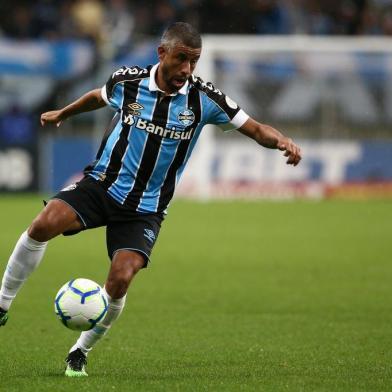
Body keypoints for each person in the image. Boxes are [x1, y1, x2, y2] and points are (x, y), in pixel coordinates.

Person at [0, 22, 301, 377]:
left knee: (121, 279)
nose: (187, 69)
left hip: (146, 208)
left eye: (194, 61)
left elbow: (253, 127)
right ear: (162, 54)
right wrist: (64, 112)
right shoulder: (127, 81)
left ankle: (80, 351)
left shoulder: (205, 98)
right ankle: (3, 303)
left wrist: (281, 140)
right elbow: (98, 96)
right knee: (43, 223)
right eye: (181, 59)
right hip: (102, 184)